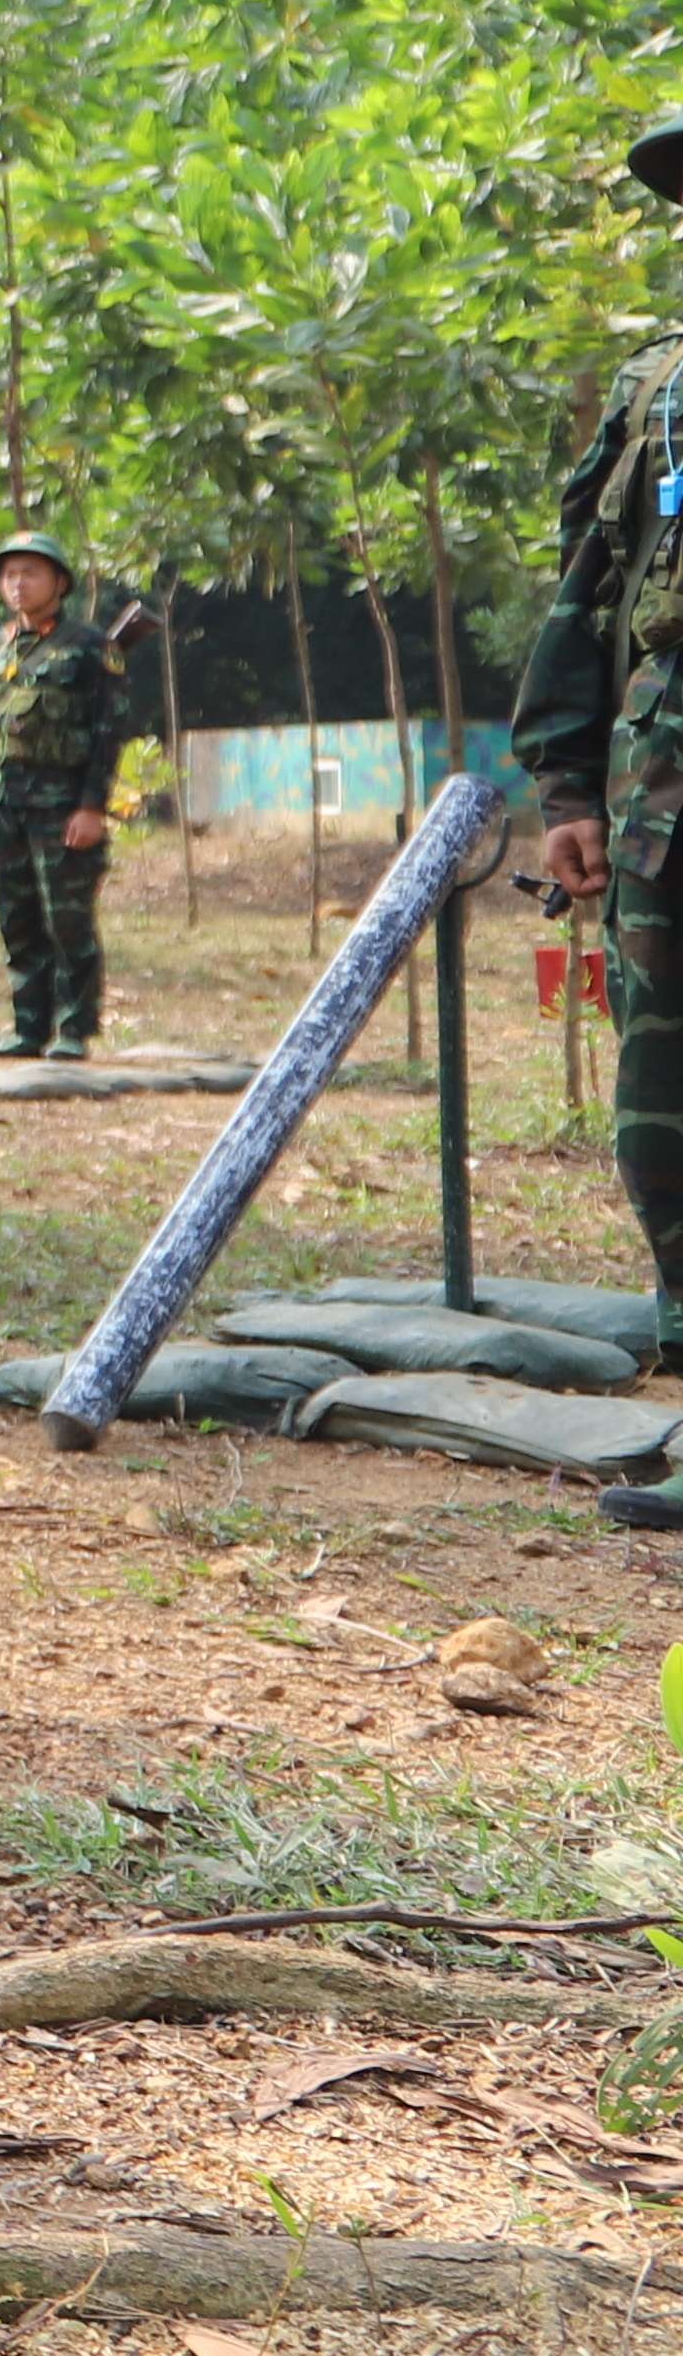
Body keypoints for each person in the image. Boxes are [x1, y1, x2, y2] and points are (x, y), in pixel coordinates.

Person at [524, 120, 683, 1410]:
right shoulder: (652, 392)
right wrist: (569, 790)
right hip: (659, 804)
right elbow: (591, 595)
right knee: (660, 1077)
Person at [0, 533, 142, 1061]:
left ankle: (73, 1029)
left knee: (68, 919)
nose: (18, 583)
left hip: (63, 808)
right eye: (9, 574)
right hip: (6, 805)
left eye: (31, 573)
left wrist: (91, 807)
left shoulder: (89, 649)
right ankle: (28, 1028)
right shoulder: (2, 646)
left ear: (59, 583)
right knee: (17, 918)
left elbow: (109, 732)